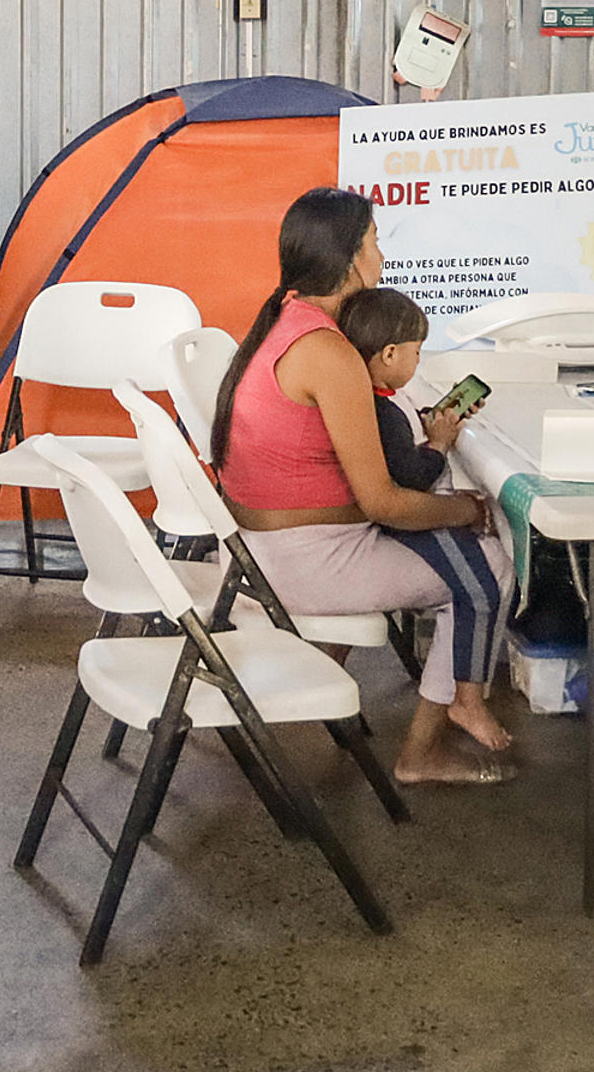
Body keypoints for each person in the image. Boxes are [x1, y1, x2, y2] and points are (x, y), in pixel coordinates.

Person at [211, 189, 517, 785]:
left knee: (448, 535)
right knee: (492, 568)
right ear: (351, 258)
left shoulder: (284, 317)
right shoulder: (328, 352)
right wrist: (464, 509)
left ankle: (327, 676)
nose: (381, 254)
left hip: (259, 550)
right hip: (301, 562)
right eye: (375, 242)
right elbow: (383, 503)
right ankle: (422, 751)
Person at [336, 286, 509, 705]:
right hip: (400, 524)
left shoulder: (373, 402)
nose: (418, 362)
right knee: (484, 577)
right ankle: (467, 701)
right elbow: (409, 478)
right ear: (390, 355)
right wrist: (438, 445)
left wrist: (433, 425)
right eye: (417, 352)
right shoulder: (384, 414)